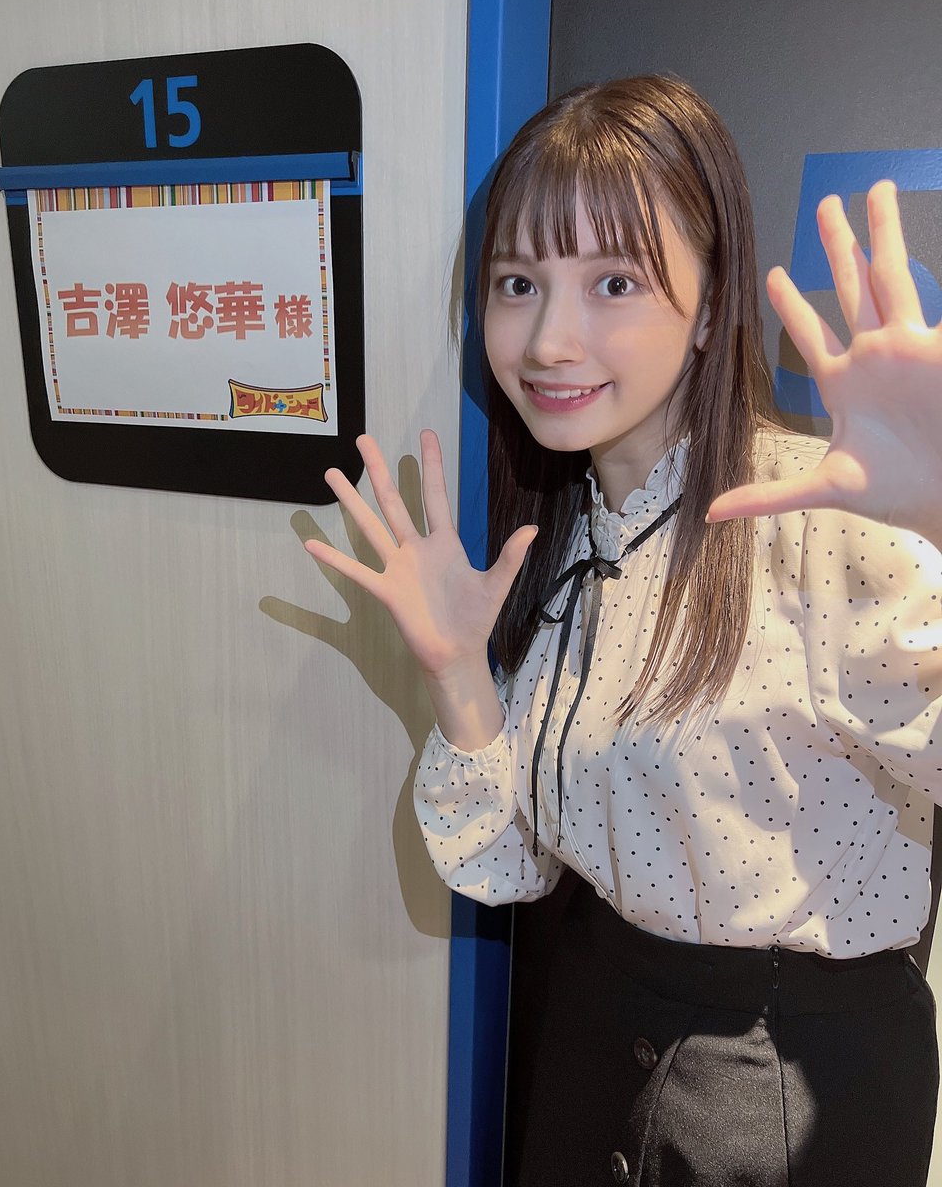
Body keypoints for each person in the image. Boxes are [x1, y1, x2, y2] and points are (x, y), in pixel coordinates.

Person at [304, 76, 942, 1186]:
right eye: (519, 283)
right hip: (589, 1044)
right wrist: (458, 672)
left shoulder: (829, 521)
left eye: (614, 282)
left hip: (784, 1097)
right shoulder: (562, 543)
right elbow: (505, 867)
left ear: (709, 303)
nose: (550, 340)